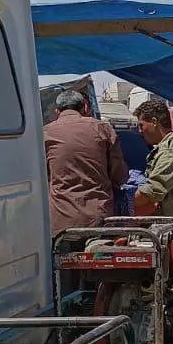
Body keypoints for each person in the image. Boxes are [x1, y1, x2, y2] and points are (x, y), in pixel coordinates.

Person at [44, 89, 128, 235]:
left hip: (61, 219)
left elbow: (43, 175)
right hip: (99, 217)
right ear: (85, 107)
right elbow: (119, 175)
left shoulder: (45, 133)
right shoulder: (102, 128)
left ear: (57, 111)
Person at [133, 98, 173, 225]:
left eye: (141, 125)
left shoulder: (170, 152)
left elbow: (151, 192)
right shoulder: (164, 148)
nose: (140, 131)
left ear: (154, 122)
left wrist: (120, 202)